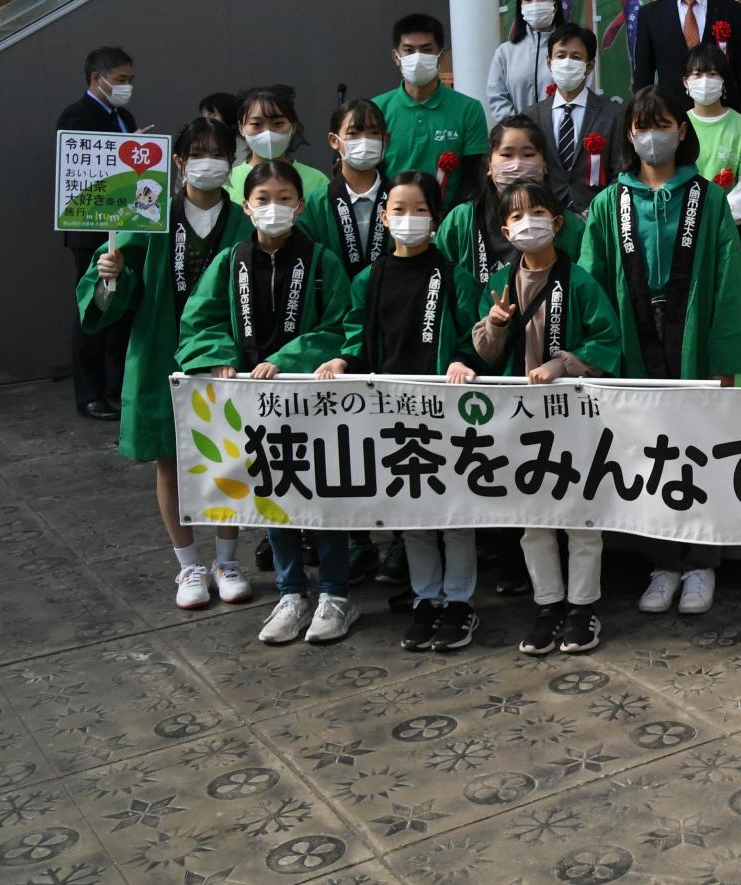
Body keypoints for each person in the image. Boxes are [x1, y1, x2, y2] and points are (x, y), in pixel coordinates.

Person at [581, 85, 741, 617]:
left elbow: (730, 286)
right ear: (629, 134)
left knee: (698, 448)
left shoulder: (708, 200)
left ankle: (700, 564)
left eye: (663, 123)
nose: (653, 135)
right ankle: (662, 563)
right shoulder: (609, 203)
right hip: (634, 343)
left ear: (682, 129)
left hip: (694, 342)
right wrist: (594, 355)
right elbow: (591, 286)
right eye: (643, 126)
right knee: (650, 455)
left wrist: (723, 365)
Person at [175, 160, 356, 646]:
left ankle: (336, 593)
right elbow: (201, 318)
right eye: (263, 199)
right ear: (246, 206)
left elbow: (341, 326)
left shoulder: (321, 260)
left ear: (300, 204)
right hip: (254, 401)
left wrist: (287, 359)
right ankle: (291, 592)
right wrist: (217, 358)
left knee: (325, 497)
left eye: (284, 199)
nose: (273, 208)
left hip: (312, 398)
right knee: (274, 496)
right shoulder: (231, 260)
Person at [79, 117, 253, 610]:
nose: (208, 163)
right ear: (177, 162)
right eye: (197, 153)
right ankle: (188, 565)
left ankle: (227, 557)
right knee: (169, 458)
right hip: (161, 349)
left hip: (224, 355)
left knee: (228, 457)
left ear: (232, 162)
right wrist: (109, 274)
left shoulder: (244, 219)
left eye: (219, 154)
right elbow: (115, 292)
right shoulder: (148, 217)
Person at [314, 170, 481, 651]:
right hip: (391, 412)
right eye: (399, 210)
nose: (409, 219)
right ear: (384, 216)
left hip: (446, 412)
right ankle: (426, 597)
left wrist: (463, 361)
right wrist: (343, 359)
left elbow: (475, 336)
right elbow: (356, 336)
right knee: (413, 513)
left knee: (455, 512)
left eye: (421, 210)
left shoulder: (453, 276)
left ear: (438, 217)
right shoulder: (371, 277)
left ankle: (460, 602)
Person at [471, 180, 623, 655]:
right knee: (533, 519)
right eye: (516, 216)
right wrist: (494, 326)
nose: (527, 223)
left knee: (580, 515)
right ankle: (547, 605)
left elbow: (606, 339)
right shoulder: (499, 283)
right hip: (519, 420)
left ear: (557, 223)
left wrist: (563, 364)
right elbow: (483, 356)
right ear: (504, 228)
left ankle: (582, 608)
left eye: (537, 212)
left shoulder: (579, 281)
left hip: (572, 417)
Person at [437, 116, 589, 315]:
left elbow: (586, 289)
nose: (517, 165)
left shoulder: (568, 224)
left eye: (528, 154)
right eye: (507, 155)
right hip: (475, 336)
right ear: (490, 166)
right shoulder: (462, 219)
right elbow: (437, 277)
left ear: (545, 165)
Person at [57, 46, 137, 421]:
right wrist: (124, 150)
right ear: (96, 79)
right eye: (120, 80)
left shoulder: (124, 115)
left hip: (123, 225)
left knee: (120, 308)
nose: (126, 87)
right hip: (90, 230)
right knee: (93, 304)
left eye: (130, 80)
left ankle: (114, 387)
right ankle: (89, 394)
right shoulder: (76, 115)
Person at [376, 13, 490, 209]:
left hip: (448, 224)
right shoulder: (377, 109)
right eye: (409, 51)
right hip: (390, 222)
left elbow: (473, 178)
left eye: (426, 50)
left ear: (441, 56)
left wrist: (446, 223)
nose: (417, 58)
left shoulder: (469, 109)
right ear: (397, 57)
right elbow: (372, 173)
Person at [525, 23, 624, 216]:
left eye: (576, 57)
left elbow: (621, 172)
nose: (567, 62)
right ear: (549, 62)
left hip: (597, 219)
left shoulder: (613, 114)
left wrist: (598, 211)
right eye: (560, 56)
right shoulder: (531, 116)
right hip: (544, 221)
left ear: (590, 65)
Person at [680, 44, 741, 234]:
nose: (705, 81)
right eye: (697, 74)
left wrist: (708, 219)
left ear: (723, 81)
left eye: (712, 74)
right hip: (683, 222)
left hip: (733, 223)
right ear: (686, 82)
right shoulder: (678, 126)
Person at [311, 99, 392, 279]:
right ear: (334, 140)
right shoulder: (315, 203)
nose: (364, 141)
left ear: (385, 140)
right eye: (353, 133)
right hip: (333, 304)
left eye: (373, 133)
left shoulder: (399, 198)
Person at [225, 86, 333, 207]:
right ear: (241, 128)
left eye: (278, 124)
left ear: (293, 126)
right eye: (256, 124)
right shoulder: (227, 182)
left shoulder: (317, 181)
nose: (268, 132)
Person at [487, 0, 562, 121]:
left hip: (560, 136)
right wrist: (519, 128)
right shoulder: (505, 52)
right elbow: (497, 95)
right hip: (519, 138)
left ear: (555, 5)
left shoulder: (570, 50)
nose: (535, 4)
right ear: (521, 8)